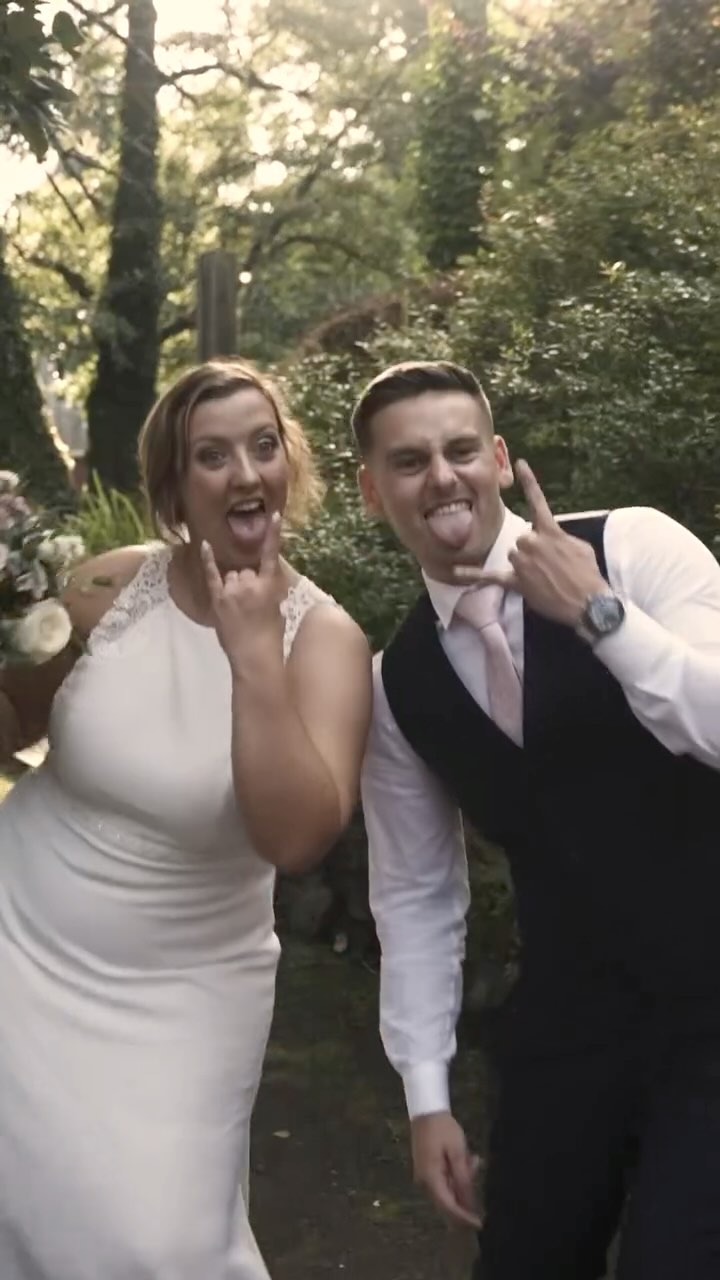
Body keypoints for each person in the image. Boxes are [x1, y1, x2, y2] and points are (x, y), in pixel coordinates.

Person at [0, 358, 371, 1280]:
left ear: (289, 465)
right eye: (213, 455)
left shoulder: (327, 643)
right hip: (21, 943)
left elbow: (295, 840)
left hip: (186, 993)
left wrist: (252, 660)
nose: (244, 473)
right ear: (176, 486)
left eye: (261, 446)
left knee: (161, 1246)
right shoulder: (109, 587)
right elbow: (14, 722)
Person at [355, 359, 720, 1279]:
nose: (441, 476)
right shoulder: (398, 685)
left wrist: (601, 617)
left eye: (460, 449)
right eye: (409, 461)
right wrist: (426, 1096)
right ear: (371, 493)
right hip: (568, 1023)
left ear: (499, 457)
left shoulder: (634, 547)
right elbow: (414, 894)